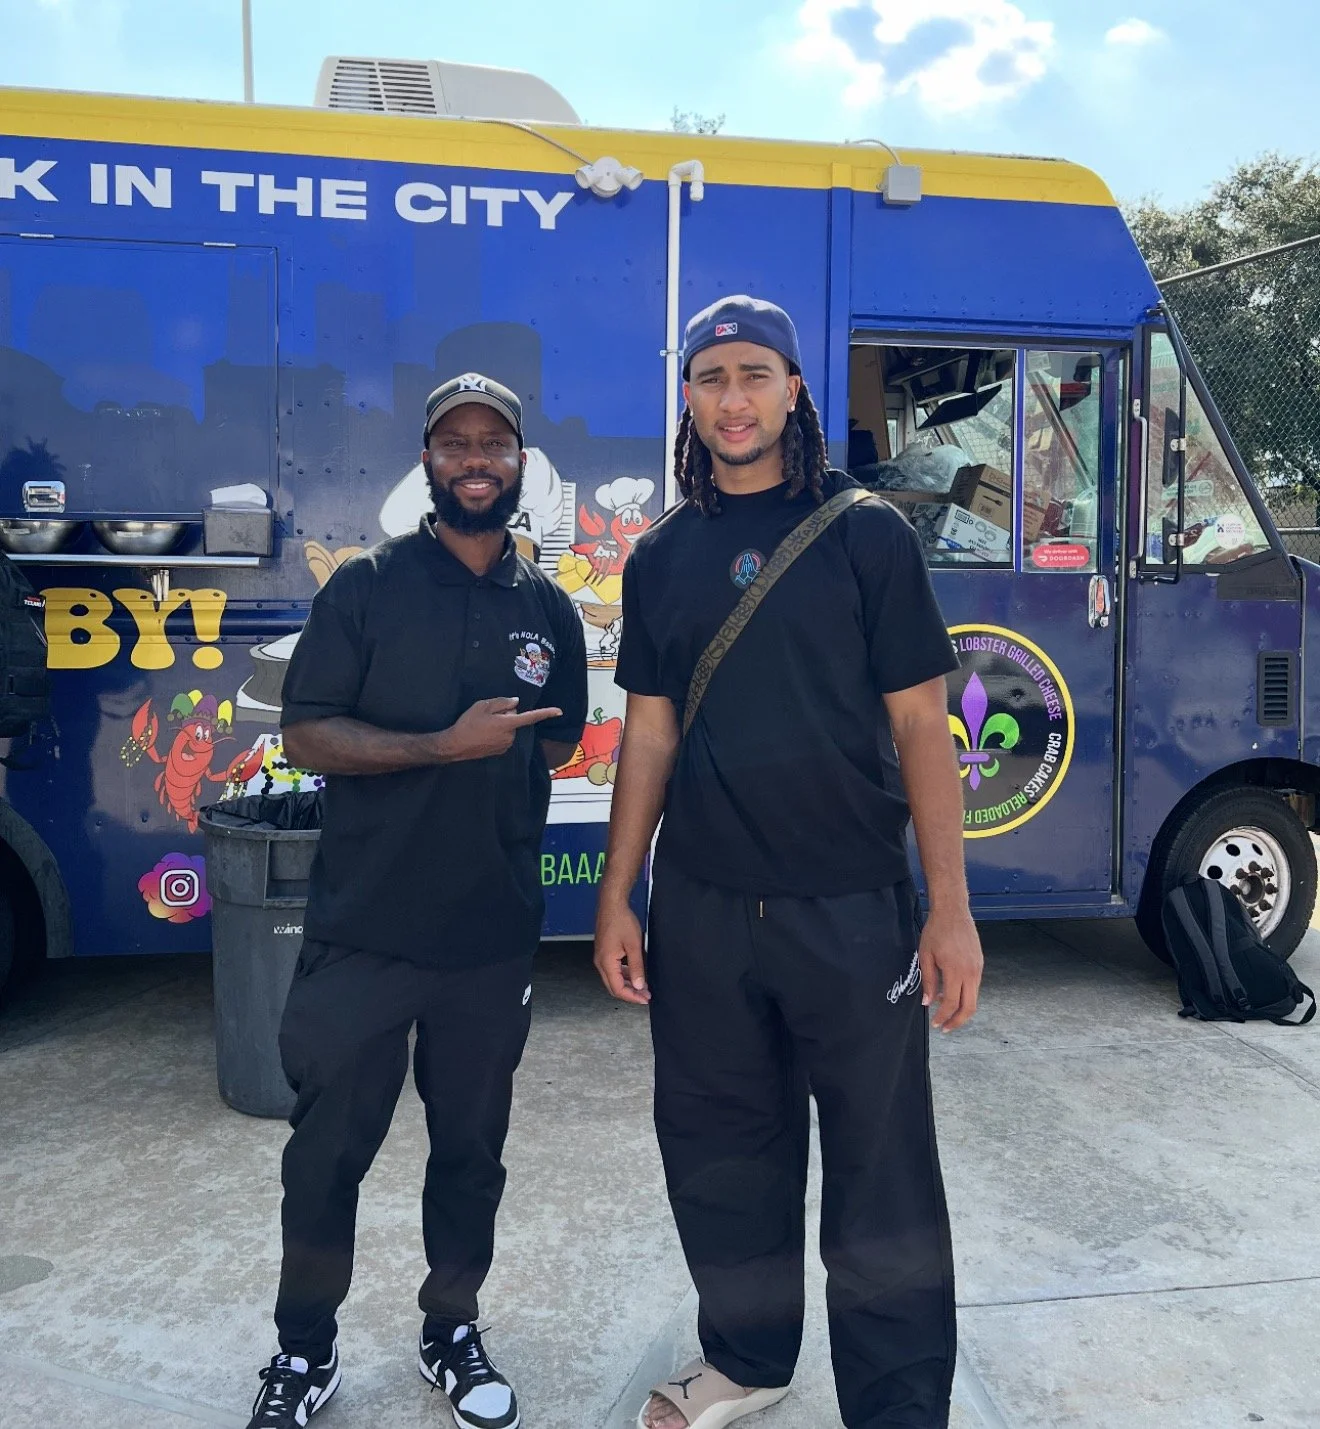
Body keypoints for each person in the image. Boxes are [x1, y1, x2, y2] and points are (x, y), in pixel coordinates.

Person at [594, 296, 983, 1429]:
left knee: (880, 1170)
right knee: (721, 1153)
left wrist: (949, 910)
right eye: (713, 378)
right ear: (688, 397)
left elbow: (922, 724)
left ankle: (897, 1404)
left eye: (755, 375)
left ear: (795, 390)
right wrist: (619, 893)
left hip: (851, 909)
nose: (735, 400)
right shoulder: (662, 555)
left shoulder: (868, 534)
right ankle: (749, 1358)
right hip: (705, 911)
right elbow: (650, 735)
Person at [244, 373, 587, 1429]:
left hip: (489, 936)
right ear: (428, 460)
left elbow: (558, 740)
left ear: (520, 462)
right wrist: (440, 746)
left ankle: (452, 1328)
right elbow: (308, 733)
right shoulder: (367, 588)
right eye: (455, 443)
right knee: (326, 1155)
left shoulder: (548, 609)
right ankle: (304, 1351)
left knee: (471, 1154)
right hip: (366, 928)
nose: (476, 459)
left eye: (495, 443)